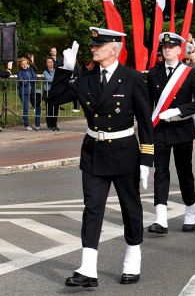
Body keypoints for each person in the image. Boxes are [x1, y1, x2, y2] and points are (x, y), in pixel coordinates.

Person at [48, 27, 154, 287]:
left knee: (130, 208)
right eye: (93, 45)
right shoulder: (86, 78)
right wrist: (65, 69)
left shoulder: (132, 78)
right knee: (92, 209)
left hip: (125, 152)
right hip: (94, 151)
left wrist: (146, 159)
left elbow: (145, 120)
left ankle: (132, 260)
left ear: (115, 48)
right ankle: (88, 269)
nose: (93, 48)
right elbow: (53, 100)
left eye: (99, 45)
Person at [146, 32, 195, 234]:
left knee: (184, 173)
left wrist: (180, 111)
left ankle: (191, 213)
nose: (167, 50)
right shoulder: (154, 73)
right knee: (161, 173)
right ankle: (161, 219)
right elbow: (148, 103)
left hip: (182, 130)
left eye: (171, 47)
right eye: (164, 47)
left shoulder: (191, 72)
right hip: (161, 130)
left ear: (179, 50)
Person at [17, 57, 41, 131]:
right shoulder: (20, 72)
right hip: (24, 92)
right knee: (26, 108)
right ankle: (26, 125)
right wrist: (30, 81)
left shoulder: (31, 70)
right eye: (23, 64)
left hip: (32, 91)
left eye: (26, 63)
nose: (24, 65)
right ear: (20, 65)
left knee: (37, 106)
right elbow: (22, 81)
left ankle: (37, 124)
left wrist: (28, 81)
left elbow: (36, 79)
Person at [42, 57, 60, 131]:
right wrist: (57, 80)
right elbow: (49, 79)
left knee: (55, 109)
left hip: (55, 92)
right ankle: (50, 125)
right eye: (48, 62)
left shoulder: (56, 70)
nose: (50, 63)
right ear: (46, 64)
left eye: (51, 62)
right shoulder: (45, 72)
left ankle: (54, 124)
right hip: (48, 91)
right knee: (49, 109)